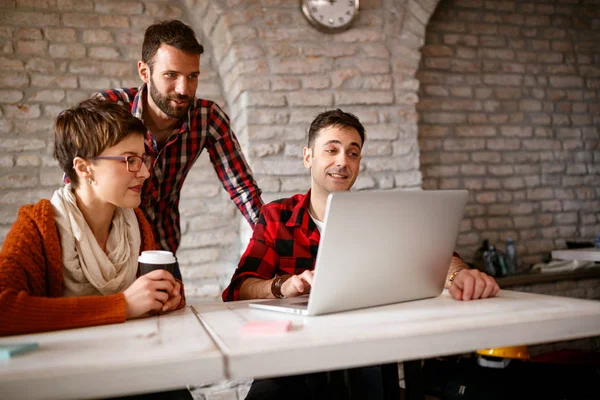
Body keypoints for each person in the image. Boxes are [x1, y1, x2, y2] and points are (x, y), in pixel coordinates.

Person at [222, 109, 500, 399]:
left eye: (352, 154)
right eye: (331, 150)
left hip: (364, 361)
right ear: (308, 157)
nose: (342, 161)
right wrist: (283, 285)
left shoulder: (379, 216)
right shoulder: (277, 216)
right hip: (290, 363)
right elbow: (240, 287)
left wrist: (460, 274)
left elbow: (436, 257)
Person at [92, 19, 263, 280]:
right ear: (144, 72)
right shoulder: (108, 107)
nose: (183, 89)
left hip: (162, 251)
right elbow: (77, 185)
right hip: (106, 252)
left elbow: (243, 190)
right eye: (171, 75)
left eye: (192, 76)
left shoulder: (207, 117)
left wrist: (276, 243)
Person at [0, 99, 184, 337]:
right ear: (84, 168)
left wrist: (171, 296)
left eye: (143, 158)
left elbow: (162, 298)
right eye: (130, 160)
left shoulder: (136, 223)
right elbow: (4, 309)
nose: (145, 172)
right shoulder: (38, 225)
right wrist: (123, 306)